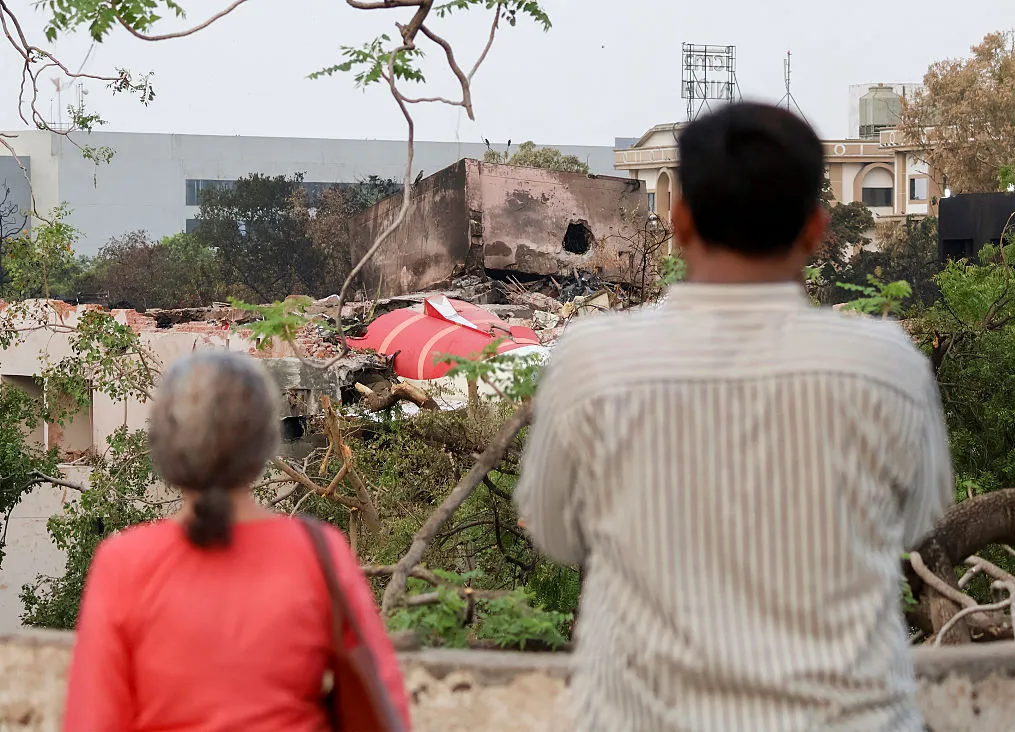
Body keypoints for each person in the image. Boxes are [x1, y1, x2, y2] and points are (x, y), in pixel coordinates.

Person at [516, 103, 952, 731]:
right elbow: (916, 524)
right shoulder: (888, 368)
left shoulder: (592, 363)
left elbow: (555, 536)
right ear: (816, 229)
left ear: (682, 219)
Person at [63, 351, 410, 731]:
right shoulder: (317, 552)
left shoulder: (124, 563)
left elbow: (92, 720)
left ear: (165, 448)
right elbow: (383, 702)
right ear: (264, 444)